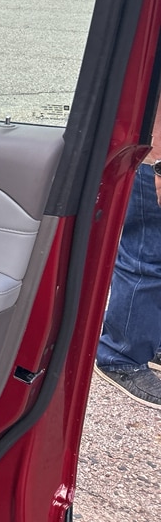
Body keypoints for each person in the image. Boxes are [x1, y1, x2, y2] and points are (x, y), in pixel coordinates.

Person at [95, 104, 161, 409]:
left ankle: (151, 339)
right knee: (146, 260)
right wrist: (158, 162)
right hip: (154, 159)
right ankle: (120, 356)